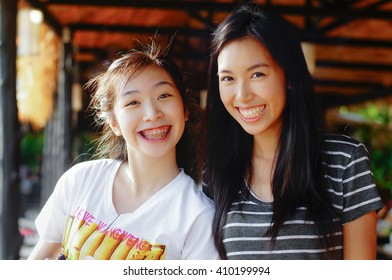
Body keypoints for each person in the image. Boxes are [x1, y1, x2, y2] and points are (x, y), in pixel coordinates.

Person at [202, 2, 384, 260]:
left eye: (257, 75)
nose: (242, 95)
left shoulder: (344, 161)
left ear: (288, 76)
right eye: (228, 78)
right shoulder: (216, 171)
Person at [28, 39, 219, 260]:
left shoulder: (198, 217)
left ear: (185, 109)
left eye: (164, 96)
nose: (152, 113)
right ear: (114, 124)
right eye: (133, 102)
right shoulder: (81, 180)